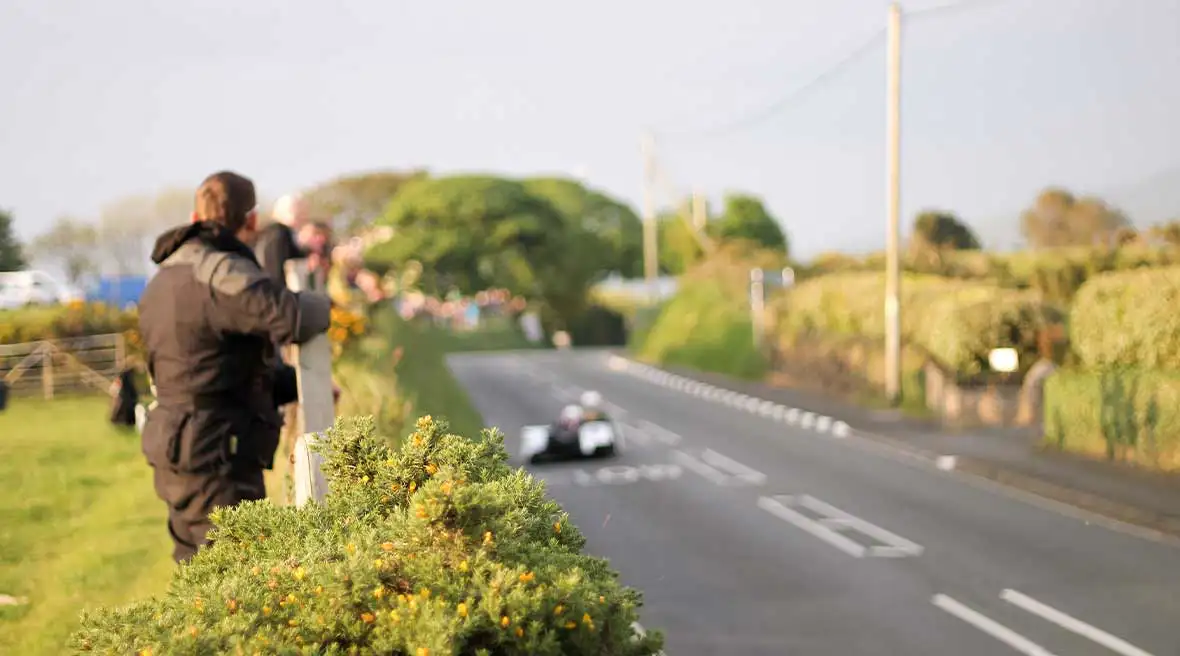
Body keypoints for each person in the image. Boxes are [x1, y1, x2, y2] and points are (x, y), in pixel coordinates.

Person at [137, 170, 332, 563]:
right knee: (231, 576)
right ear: (252, 221)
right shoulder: (219, 272)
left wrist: (293, 384)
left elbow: (210, 368)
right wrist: (327, 303)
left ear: (194, 217)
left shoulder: (164, 276)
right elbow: (294, 317)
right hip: (215, 457)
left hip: (183, 446)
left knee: (202, 570)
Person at [253, 193, 310, 289]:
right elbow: (276, 268)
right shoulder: (280, 233)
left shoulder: (269, 232)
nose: (304, 217)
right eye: (301, 213)